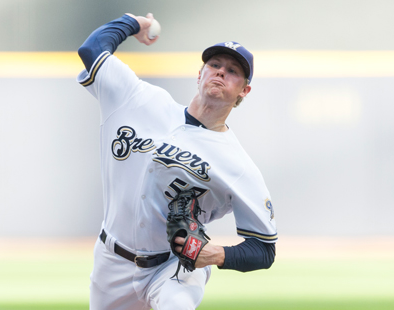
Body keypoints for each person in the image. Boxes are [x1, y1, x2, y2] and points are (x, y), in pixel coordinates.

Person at [76, 13, 278, 310]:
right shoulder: (139, 99)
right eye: (214, 65)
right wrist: (134, 22)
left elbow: (264, 249)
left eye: (233, 70)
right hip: (111, 261)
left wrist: (218, 255)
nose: (221, 72)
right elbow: (91, 50)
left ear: (243, 91)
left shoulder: (238, 165)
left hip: (174, 268)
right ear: (200, 74)